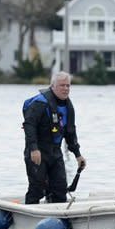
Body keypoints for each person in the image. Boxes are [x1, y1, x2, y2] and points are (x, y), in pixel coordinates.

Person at [22, 71, 86, 204]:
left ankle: (56, 217)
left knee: (60, 189)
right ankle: (29, 216)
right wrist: (33, 149)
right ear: (52, 86)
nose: (66, 89)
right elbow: (29, 125)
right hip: (37, 151)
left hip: (55, 152)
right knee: (37, 188)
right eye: (62, 85)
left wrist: (78, 155)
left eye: (68, 86)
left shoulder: (68, 107)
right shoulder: (40, 103)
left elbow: (70, 132)